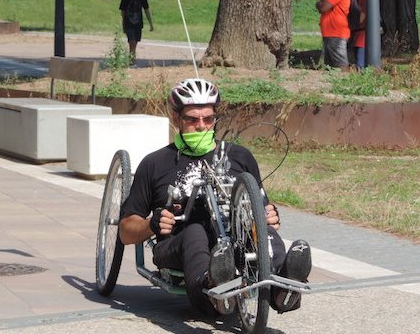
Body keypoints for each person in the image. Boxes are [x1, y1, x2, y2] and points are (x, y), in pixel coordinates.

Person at [119, 78, 311, 316]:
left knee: (260, 230)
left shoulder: (240, 156)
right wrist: (152, 224)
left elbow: (259, 204)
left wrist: (268, 215)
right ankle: (211, 287)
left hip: (235, 242)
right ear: (176, 118)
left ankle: (284, 286)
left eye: (208, 119)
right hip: (179, 243)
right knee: (194, 232)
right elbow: (126, 231)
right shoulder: (155, 163)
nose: (202, 126)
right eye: (192, 119)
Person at [316, 0, 351, 70]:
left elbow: (322, 7)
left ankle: (346, 80)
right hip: (331, 32)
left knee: (341, 65)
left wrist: (319, 3)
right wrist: (321, 3)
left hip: (336, 32)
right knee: (331, 67)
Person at [119, 0, 154, 65]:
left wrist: (151, 23)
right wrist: (123, 24)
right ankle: (132, 60)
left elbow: (146, 10)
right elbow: (123, 12)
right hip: (128, 23)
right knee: (132, 42)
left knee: (135, 42)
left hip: (138, 23)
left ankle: (132, 58)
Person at [350, 0, 367, 70]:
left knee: (360, 65)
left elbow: (360, 20)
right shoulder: (356, 1)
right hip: (356, 36)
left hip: (362, 37)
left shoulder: (364, 1)